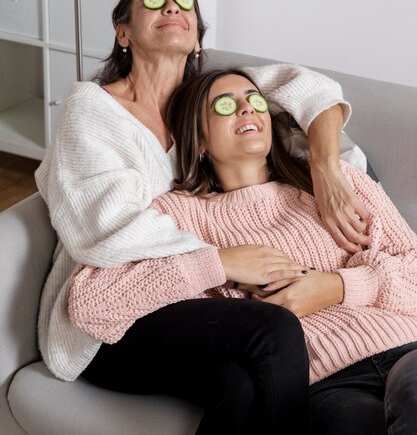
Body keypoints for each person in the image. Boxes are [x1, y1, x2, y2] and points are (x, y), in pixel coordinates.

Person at [36, 0, 362, 432]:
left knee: (241, 386)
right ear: (123, 32)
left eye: (184, 3)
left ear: (197, 41)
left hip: (195, 305)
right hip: (113, 320)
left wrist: (326, 168)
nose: (171, 8)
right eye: (153, 1)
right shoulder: (92, 110)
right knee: (270, 328)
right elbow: (103, 230)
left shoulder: (212, 100)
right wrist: (222, 259)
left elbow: (313, 90)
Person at [69, 69, 417, 435]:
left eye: (255, 101)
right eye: (224, 105)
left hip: (406, 350)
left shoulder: (332, 183)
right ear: (199, 139)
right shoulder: (177, 214)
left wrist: (338, 286)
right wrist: (216, 264)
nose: (247, 110)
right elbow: (93, 302)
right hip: (325, 384)